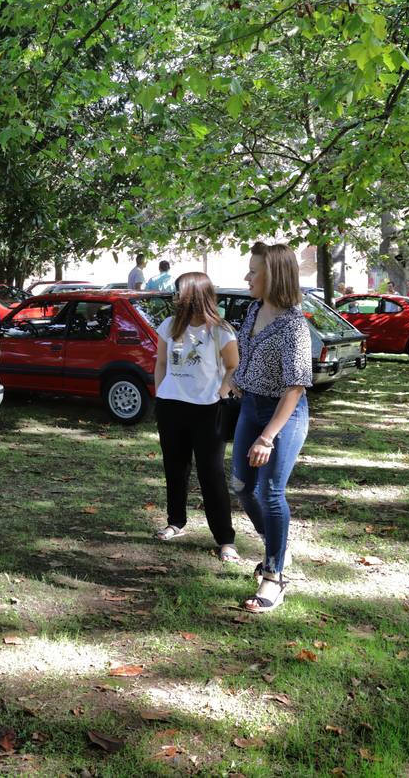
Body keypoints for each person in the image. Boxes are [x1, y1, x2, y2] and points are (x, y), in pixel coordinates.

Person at [226, 241, 312, 613]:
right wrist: (233, 379)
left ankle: (274, 576)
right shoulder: (253, 309)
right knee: (243, 487)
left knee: (270, 493)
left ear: (273, 275)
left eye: (253, 271)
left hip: (284, 414)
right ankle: (277, 544)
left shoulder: (294, 325)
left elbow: (295, 387)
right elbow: (244, 354)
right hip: (250, 405)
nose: (247, 277)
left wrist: (267, 437)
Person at [152, 272, 240, 561]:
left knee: (211, 474)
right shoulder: (169, 326)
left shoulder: (220, 330)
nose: (175, 298)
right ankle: (175, 522)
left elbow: (233, 366)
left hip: (207, 411)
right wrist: (160, 393)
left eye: (180, 293)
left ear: (195, 295)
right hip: (170, 408)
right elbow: (162, 363)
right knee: (174, 469)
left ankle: (225, 539)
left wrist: (221, 393)